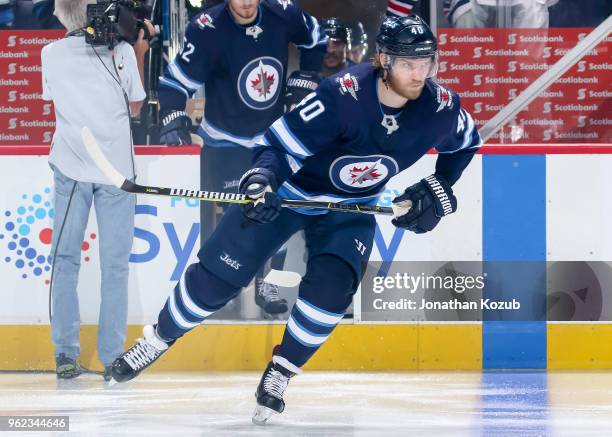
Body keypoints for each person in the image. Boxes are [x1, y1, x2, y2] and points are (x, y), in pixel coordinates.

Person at [110, 14, 481, 424]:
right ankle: (158, 339)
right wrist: (261, 182)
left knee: (331, 295)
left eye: (426, 62)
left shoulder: (441, 107)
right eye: (409, 63)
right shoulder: (342, 95)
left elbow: (466, 144)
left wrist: (442, 188)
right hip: (291, 193)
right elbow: (279, 145)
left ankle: (280, 374)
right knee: (216, 280)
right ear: (383, 60)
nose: (419, 73)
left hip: (352, 207)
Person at [157, 0, 326, 313]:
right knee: (228, 221)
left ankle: (269, 279)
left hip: (272, 142)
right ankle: (220, 281)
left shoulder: (282, 12)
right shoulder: (206, 28)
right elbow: (175, 81)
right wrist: (170, 113)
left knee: (279, 210)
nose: (247, 2)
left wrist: (308, 75)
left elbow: (316, 37)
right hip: (223, 142)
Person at [41, 0, 154, 381]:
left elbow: (52, 99)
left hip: (73, 167)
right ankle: (112, 357)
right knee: (115, 267)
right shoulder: (121, 52)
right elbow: (137, 107)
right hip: (115, 170)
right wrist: (139, 51)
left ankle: (65, 353)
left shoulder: (51, 54)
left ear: (63, 14)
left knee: (65, 260)